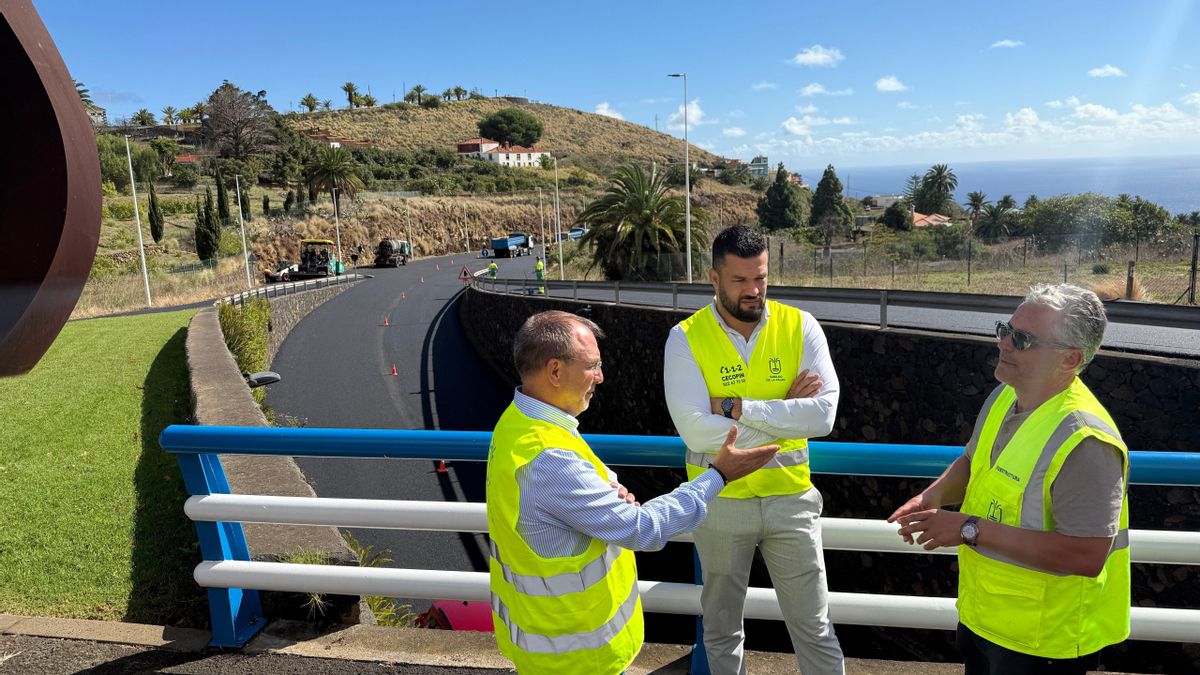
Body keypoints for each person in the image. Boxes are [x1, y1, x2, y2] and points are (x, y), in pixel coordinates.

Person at [487, 310, 780, 675]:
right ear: (555, 372)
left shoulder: (517, 426)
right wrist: (718, 475)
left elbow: (558, 506)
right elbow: (643, 529)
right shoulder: (549, 458)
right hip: (578, 659)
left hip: (542, 643)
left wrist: (604, 497)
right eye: (592, 366)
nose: (600, 376)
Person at [889, 284, 1128, 675]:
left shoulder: (1085, 440)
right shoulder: (1005, 395)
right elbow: (973, 459)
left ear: (1070, 359)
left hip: (1043, 641)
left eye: (1022, 339)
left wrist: (967, 528)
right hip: (986, 619)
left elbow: (1085, 555)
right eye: (1005, 330)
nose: (1003, 344)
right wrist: (932, 496)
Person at [663, 225, 844, 674]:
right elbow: (696, 433)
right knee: (722, 629)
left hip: (791, 499)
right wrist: (787, 413)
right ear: (714, 278)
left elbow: (823, 417)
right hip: (720, 499)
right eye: (740, 280)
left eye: (760, 277)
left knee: (815, 626)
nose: (753, 290)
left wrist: (737, 408)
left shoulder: (801, 325)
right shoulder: (685, 337)